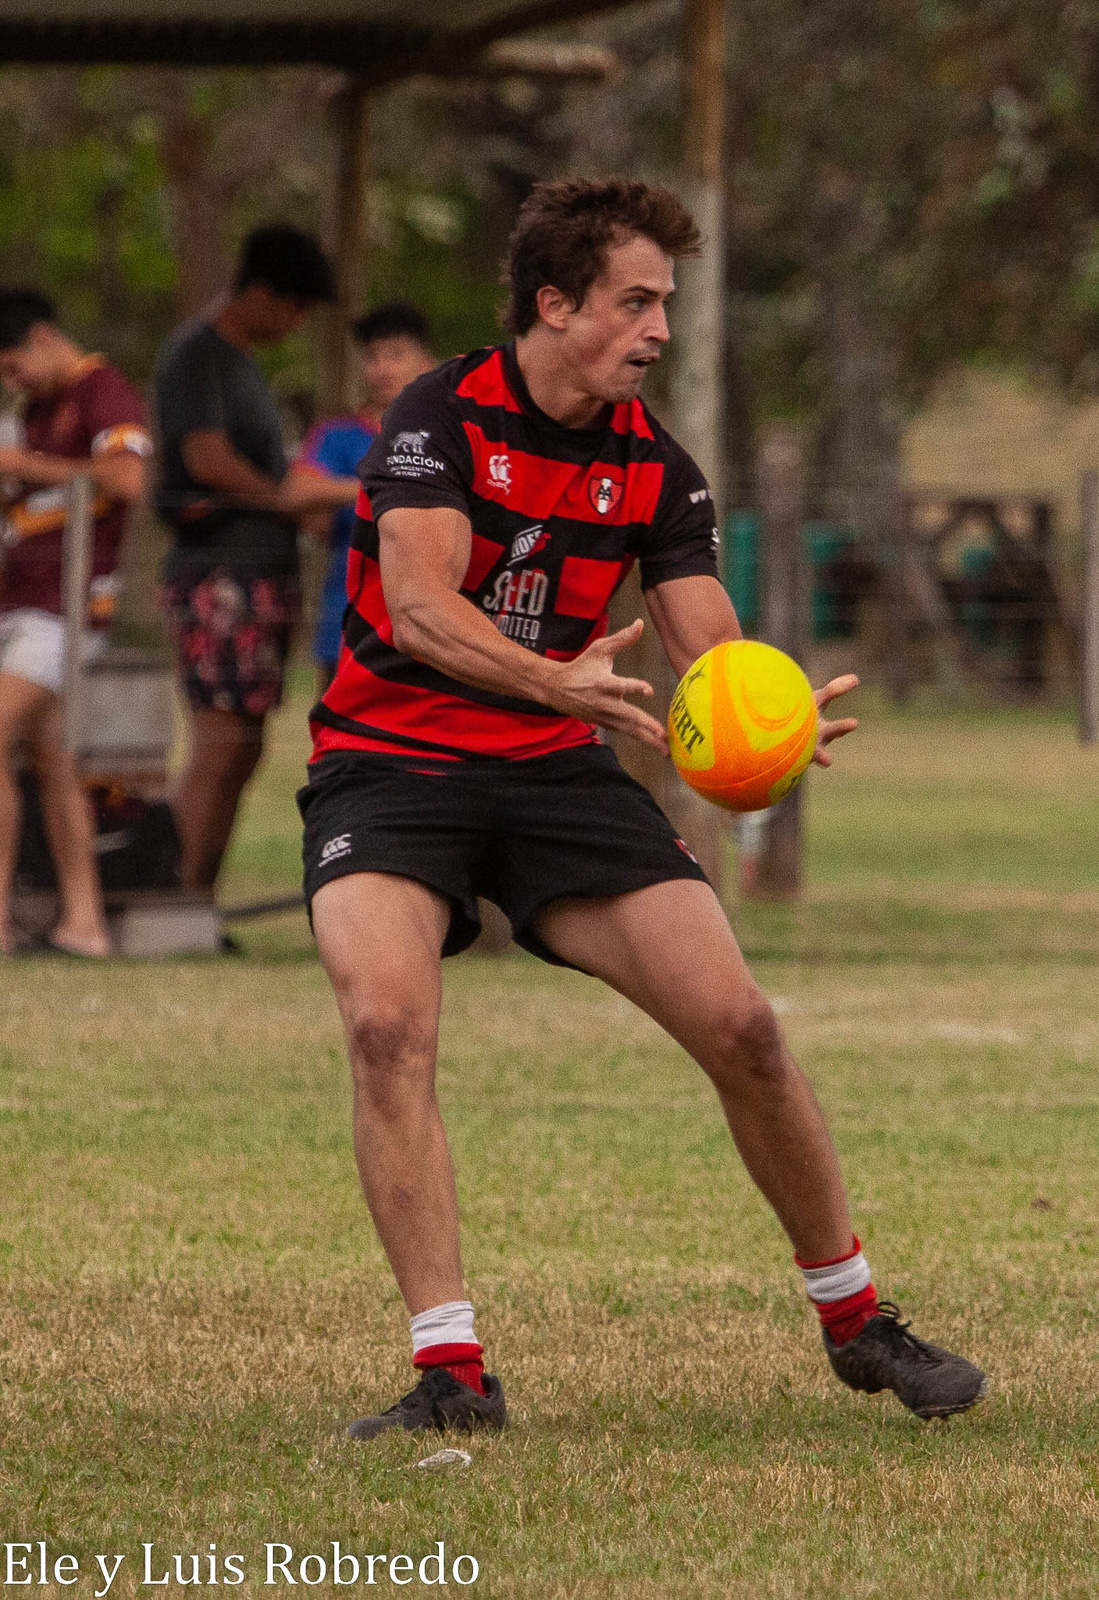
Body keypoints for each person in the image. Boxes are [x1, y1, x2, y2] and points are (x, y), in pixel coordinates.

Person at [298, 177, 987, 1437]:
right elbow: (419, 607)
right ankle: (452, 1376)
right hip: (387, 760)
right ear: (555, 304)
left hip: (556, 773)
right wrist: (550, 675)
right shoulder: (437, 418)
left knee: (744, 1026)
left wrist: (758, 717)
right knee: (387, 1026)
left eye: (667, 302)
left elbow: (702, 646)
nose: (661, 327)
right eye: (636, 300)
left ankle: (857, 1318)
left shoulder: (654, 467)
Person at [153, 224, 357, 893]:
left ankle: (199, 894)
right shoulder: (197, 355)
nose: (295, 324)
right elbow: (204, 458)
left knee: (246, 742)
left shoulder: (241, 364)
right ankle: (170, 896)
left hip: (261, 571)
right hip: (219, 570)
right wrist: (284, 500)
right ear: (262, 292)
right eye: (294, 307)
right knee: (216, 738)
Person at [0, 290, 151, 957]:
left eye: (11, 364)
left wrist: (24, 467)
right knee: (54, 760)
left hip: (64, 608)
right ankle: (83, 922)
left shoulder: (103, 392)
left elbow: (126, 481)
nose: (13, 381)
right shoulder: (32, 410)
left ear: (40, 338)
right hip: (22, 601)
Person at [295, 303, 436, 699]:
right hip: (347, 614)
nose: (382, 368)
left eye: (396, 355)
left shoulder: (450, 431)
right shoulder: (339, 435)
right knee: (337, 737)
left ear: (426, 360)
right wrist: (386, 490)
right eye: (372, 357)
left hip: (436, 618)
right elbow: (298, 490)